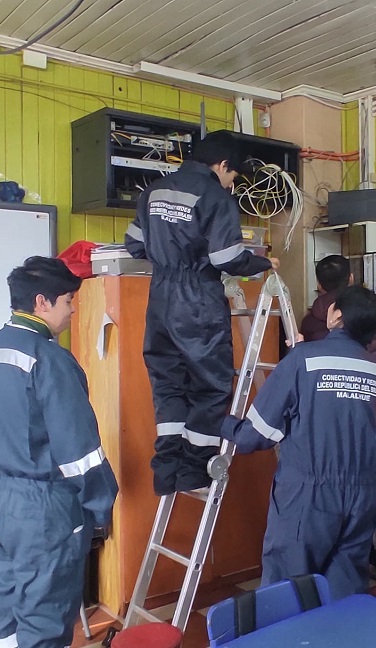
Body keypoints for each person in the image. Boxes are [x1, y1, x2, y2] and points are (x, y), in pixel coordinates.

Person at [0, 256, 119, 648]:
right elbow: (80, 452)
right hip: (47, 508)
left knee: (4, 607)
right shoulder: (50, 359)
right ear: (42, 303)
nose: (73, 310)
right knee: (45, 615)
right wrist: (98, 509)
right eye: (68, 301)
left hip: (1, 501)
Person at [124, 130, 279, 495]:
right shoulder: (215, 197)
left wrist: (170, 258)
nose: (231, 184)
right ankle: (194, 471)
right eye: (233, 176)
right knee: (210, 385)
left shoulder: (155, 190)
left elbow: (134, 244)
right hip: (197, 300)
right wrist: (261, 262)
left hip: (161, 298)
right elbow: (224, 258)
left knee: (169, 383)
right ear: (223, 165)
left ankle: (165, 470)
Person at [221, 285, 376, 600]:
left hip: (309, 496)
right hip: (362, 495)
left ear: (337, 315)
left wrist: (223, 425)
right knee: (346, 593)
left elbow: (258, 435)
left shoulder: (303, 359)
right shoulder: (374, 369)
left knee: (287, 594)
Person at [301, 254, 376, 582]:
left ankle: (351, 574)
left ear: (319, 284)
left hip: (340, 428)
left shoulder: (311, 322)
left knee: (350, 497)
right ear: (352, 278)